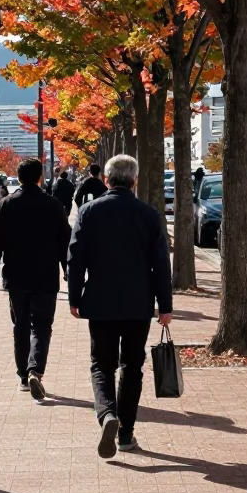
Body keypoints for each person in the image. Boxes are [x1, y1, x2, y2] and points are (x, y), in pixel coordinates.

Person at [67, 154, 173, 459]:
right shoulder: (149, 215)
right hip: (138, 303)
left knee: (102, 364)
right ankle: (125, 433)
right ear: (134, 180)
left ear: (106, 180)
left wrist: (75, 297)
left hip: (100, 301)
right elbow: (160, 265)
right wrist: (164, 305)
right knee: (132, 367)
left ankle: (107, 414)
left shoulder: (88, 212)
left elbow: (75, 260)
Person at [0, 157, 71, 402]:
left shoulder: (6, 205)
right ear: (40, 177)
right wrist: (68, 270)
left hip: (16, 275)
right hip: (45, 275)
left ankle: (23, 376)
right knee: (42, 326)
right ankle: (36, 369)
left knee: (20, 326)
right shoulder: (53, 205)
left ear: (19, 177)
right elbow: (64, 241)